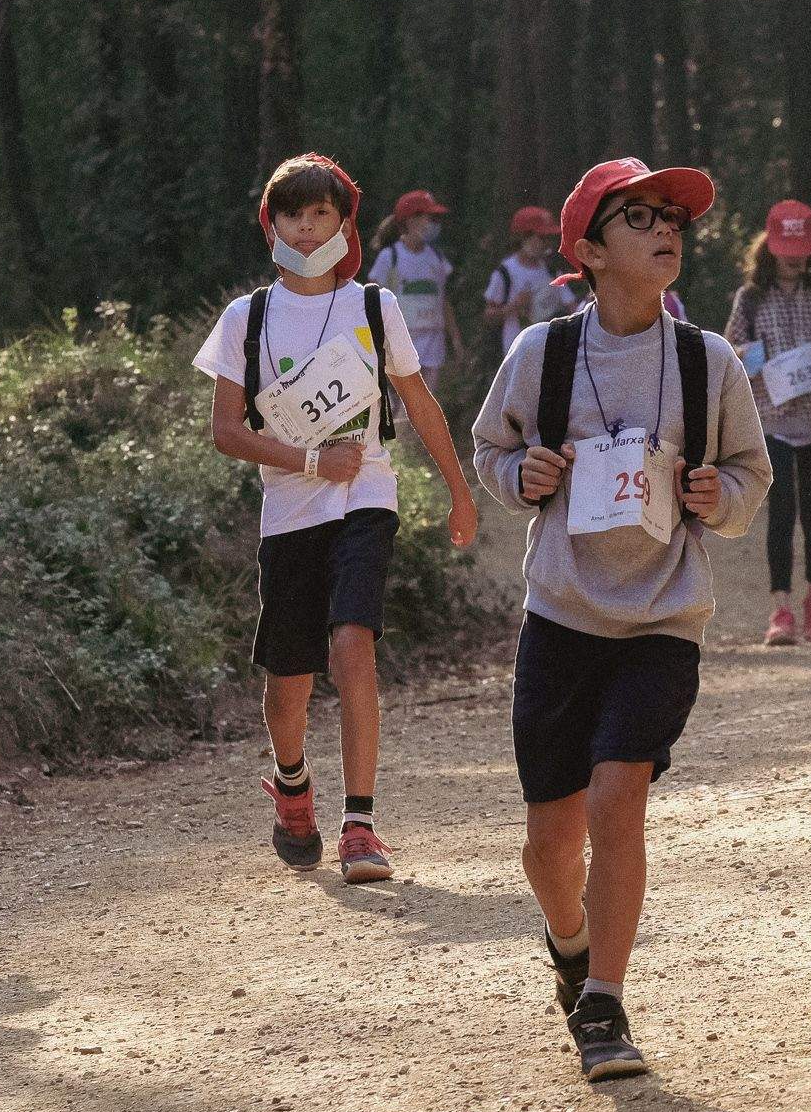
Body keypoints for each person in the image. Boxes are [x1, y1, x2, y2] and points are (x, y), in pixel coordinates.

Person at [473, 157, 769, 1082]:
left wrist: (719, 496)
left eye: (673, 217)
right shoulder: (543, 354)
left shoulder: (706, 360)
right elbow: (493, 445)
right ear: (591, 251)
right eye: (638, 217)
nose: (664, 229)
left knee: (618, 796)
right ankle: (568, 942)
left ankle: (604, 999)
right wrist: (519, 476)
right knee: (551, 839)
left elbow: (750, 481)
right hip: (561, 616)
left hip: (662, 618)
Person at [197, 155, 478, 885]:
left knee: (354, 643)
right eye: (293, 213)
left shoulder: (374, 307)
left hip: (367, 501)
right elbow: (226, 430)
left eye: (320, 212)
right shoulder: (246, 318)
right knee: (287, 684)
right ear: (273, 225)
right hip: (289, 513)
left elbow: (417, 401)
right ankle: (293, 784)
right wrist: (310, 459)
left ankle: (360, 823)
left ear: (343, 224)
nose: (306, 224)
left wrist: (459, 488)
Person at [724, 200, 811, 645]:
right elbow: (732, 353)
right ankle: (779, 608)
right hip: (773, 420)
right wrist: (762, 360)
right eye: (786, 248)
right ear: (769, 247)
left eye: (802, 249)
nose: (794, 258)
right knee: (780, 512)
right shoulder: (750, 298)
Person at [367, 189, 461, 395]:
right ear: (410, 220)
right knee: (402, 404)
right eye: (429, 217)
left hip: (433, 340)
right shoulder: (390, 257)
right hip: (400, 340)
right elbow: (371, 303)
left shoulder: (436, 258)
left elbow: (443, 300)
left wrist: (455, 339)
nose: (433, 223)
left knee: (428, 401)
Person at [484, 205, 580, 355]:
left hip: (549, 350)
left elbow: (572, 307)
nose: (546, 244)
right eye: (542, 238)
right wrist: (513, 306)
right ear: (524, 237)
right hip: (516, 352)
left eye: (548, 238)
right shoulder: (505, 273)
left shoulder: (551, 272)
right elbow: (489, 315)